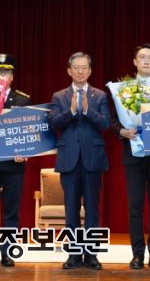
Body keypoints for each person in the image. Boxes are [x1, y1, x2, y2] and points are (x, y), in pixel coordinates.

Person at [48, 52, 111, 271]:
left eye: (84, 67)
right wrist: (72, 111)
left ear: (90, 71)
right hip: (69, 160)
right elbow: (53, 123)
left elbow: (106, 124)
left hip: (93, 159)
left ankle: (91, 254)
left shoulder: (100, 95)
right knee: (71, 209)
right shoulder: (59, 96)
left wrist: (87, 110)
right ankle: (74, 254)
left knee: (92, 209)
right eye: (76, 67)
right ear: (69, 71)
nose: (80, 71)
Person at [110, 43, 150, 270]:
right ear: (135, 62)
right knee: (135, 206)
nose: (146, 61)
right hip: (133, 153)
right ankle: (137, 254)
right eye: (142, 57)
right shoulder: (122, 90)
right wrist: (122, 131)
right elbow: (112, 119)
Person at [0, 53, 30, 267]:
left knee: (12, 209)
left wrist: (25, 150)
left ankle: (8, 251)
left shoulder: (23, 100)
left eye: (6, 71)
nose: (2, 75)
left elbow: (28, 131)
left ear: (12, 76)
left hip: (14, 162)